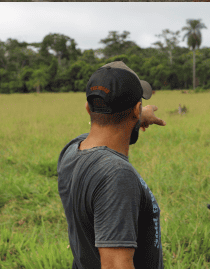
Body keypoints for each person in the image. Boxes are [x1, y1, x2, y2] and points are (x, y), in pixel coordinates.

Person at [58, 61, 166, 269]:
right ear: (136, 108)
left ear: (88, 108)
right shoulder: (116, 175)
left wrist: (139, 116)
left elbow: (103, 131)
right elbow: (115, 265)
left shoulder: (72, 151)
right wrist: (135, 115)